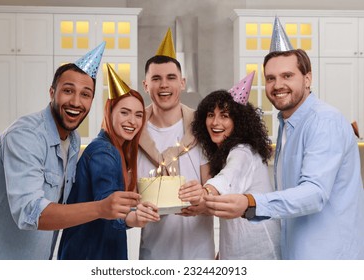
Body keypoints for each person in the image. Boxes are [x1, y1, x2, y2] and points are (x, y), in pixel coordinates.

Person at [0, 43, 140, 260]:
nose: (75, 102)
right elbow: (30, 212)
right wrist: (101, 208)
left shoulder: (73, 140)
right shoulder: (25, 135)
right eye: (68, 91)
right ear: (52, 92)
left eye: (85, 94)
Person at [204, 48, 364, 259]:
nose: (277, 85)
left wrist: (251, 203)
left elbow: (314, 193)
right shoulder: (287, 125)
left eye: (287, 76)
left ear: (307, 79)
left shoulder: (324, 121)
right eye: (271, 78)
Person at [57, 64, 160, 260]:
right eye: (124, 112)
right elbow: (108, 202)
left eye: (138, 115)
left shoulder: (115, 149)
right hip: (91, 254)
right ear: (110, 112)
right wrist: (133, 218)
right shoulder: (104, 152)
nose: (132, 121)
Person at [137, 28, 215, 260]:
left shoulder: (203, 129)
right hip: (153, 253)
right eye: (156, 78)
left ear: (182, 83)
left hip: (199, 255)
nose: (164, 85)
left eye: (171, 78)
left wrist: (202, 194)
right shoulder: (133, 133)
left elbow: (213, 190)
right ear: (145, 85)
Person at [191, 86, 281, 260]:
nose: (215, 122)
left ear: (238, 122)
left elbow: (228, 178)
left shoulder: (243, 152)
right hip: (238, 252)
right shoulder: (224, 153)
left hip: (260, 253)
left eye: (224, 116)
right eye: (211, 115)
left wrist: (205, 192)